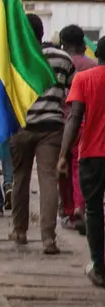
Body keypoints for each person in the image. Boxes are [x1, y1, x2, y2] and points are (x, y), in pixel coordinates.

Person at [10, 15, 75, 254]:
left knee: (20, 179)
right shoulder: (63, 58)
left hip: (22, 126)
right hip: (52, 126)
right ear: (41, 31)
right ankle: (48, 238)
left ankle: (19, 231)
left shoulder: (15, 57)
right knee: (48, 180)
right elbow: (71, 94)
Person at [59, 41, 105, 287]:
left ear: (97, 55)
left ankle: (99, 266)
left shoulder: (85, 79)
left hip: (93, 154)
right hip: (93, 154)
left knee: (94, 210)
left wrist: (64, 153)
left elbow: (74, 118)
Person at [58, 25, 95, 232]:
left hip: (63, 123)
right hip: (85, 124)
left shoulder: (60, 64)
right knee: (79, 168)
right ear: (82, 44)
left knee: (63, 168)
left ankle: (70, 211)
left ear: (63, 44)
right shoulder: (92, 66)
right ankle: (81, 206)